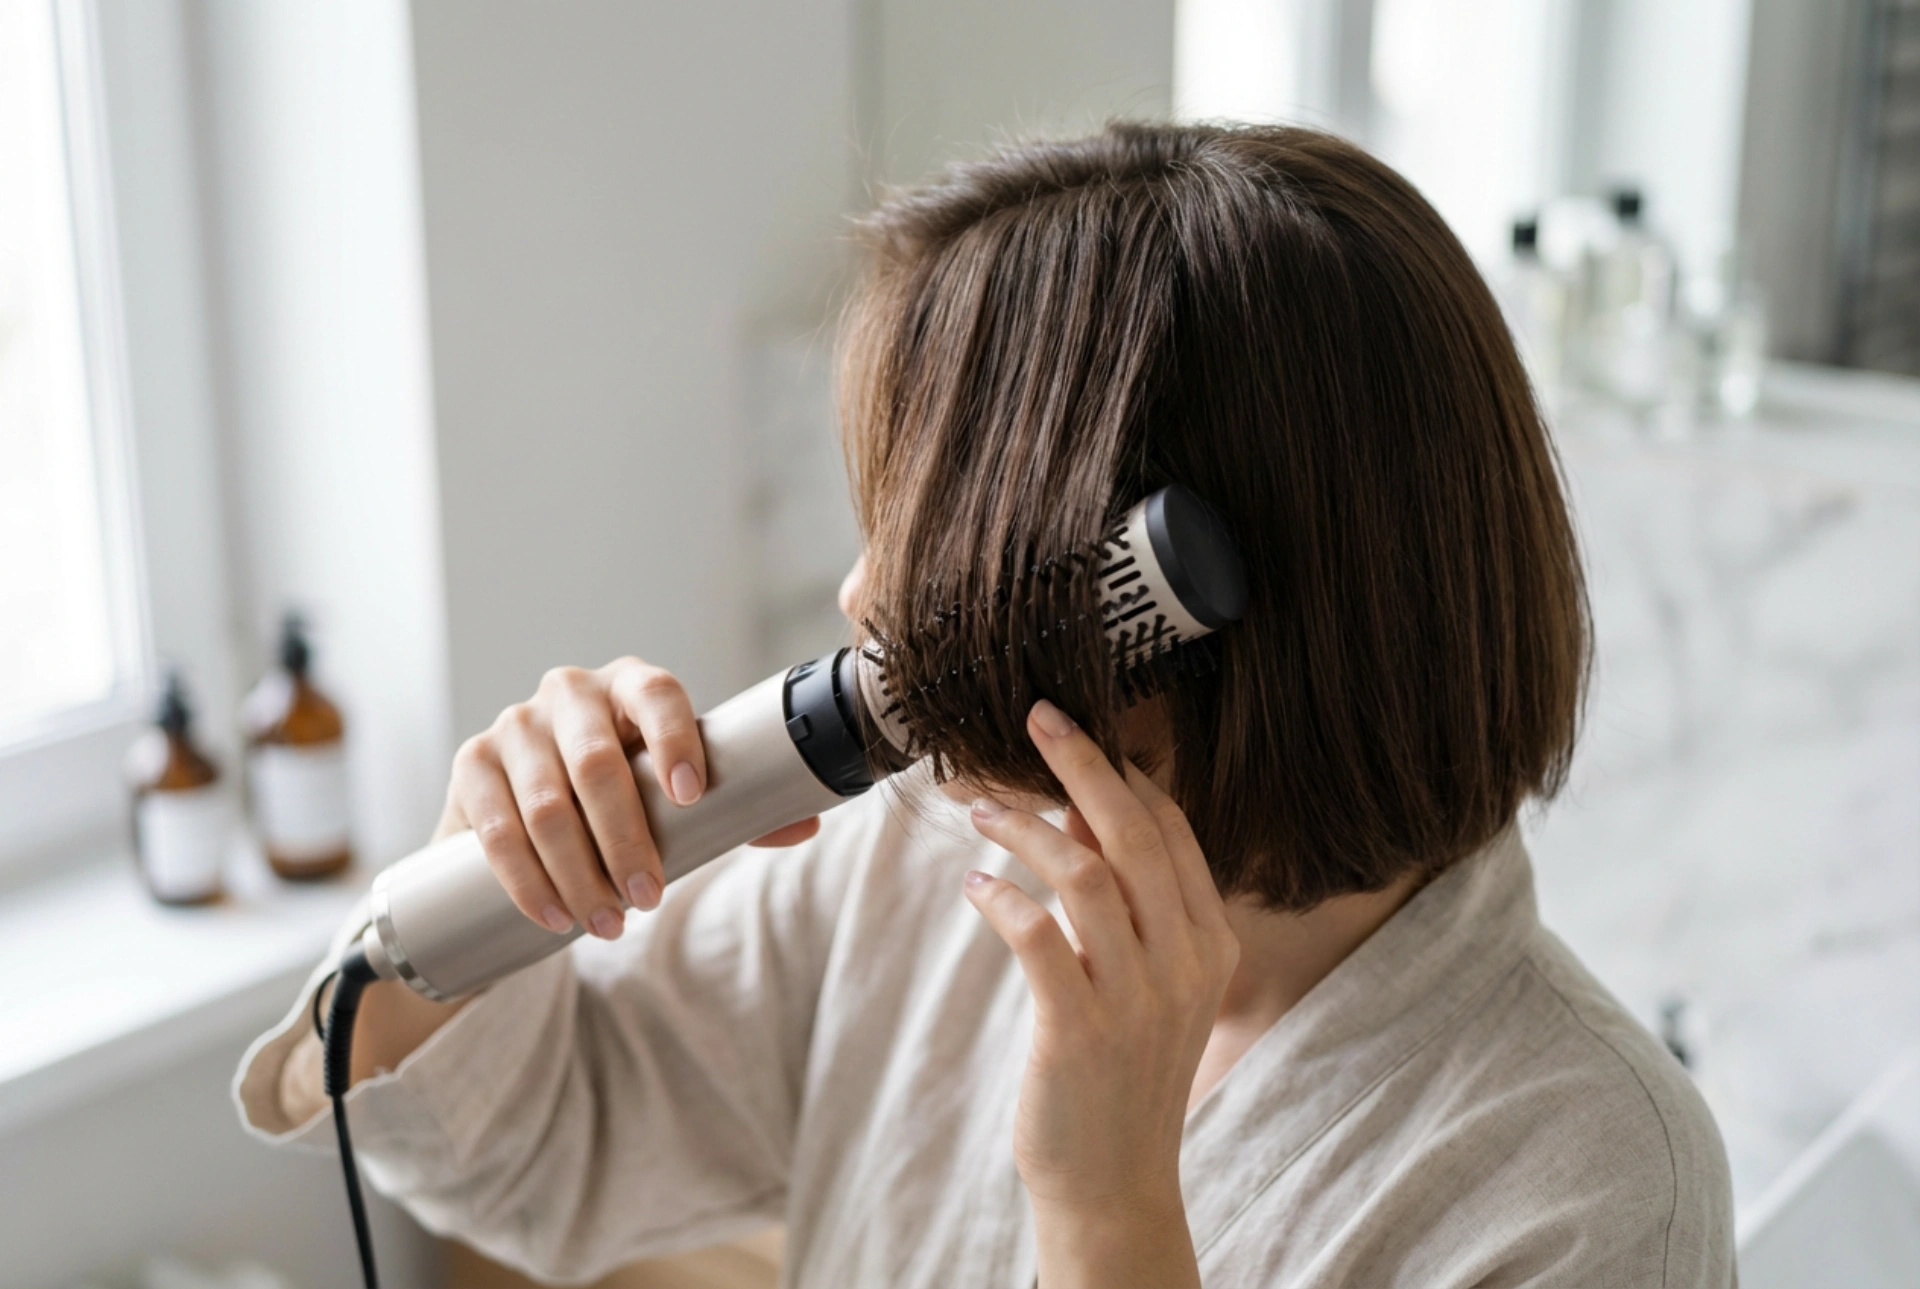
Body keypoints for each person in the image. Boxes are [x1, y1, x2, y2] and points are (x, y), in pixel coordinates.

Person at [236, 123, 1734, 1287]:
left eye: (937, 526)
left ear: (1164, 604)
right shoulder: (924, 868)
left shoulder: (1593, 1184)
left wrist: (1108, 1215)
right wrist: (494, 880)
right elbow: (530, 1155)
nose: (864, 596)